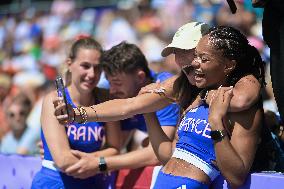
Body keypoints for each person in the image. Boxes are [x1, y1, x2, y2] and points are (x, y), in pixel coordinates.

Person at [48, 41, 179, 179]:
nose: (112, 90)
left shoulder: (162, 90)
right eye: (110, 83)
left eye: (117, 83)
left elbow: (155, 155)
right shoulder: (125, 92)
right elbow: (115, 145)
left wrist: (101, 163)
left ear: (140, 77)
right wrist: (58, 147)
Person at [31, 37, 121, 189]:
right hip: (56, 182)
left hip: (94, 183)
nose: (92, 74)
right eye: (85, 66)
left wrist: (93, 161)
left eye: (97, 68)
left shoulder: (106, 99)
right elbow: (63, 160)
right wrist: (100, 161)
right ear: (69, 64)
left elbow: (115, 149)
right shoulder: (54, 100)